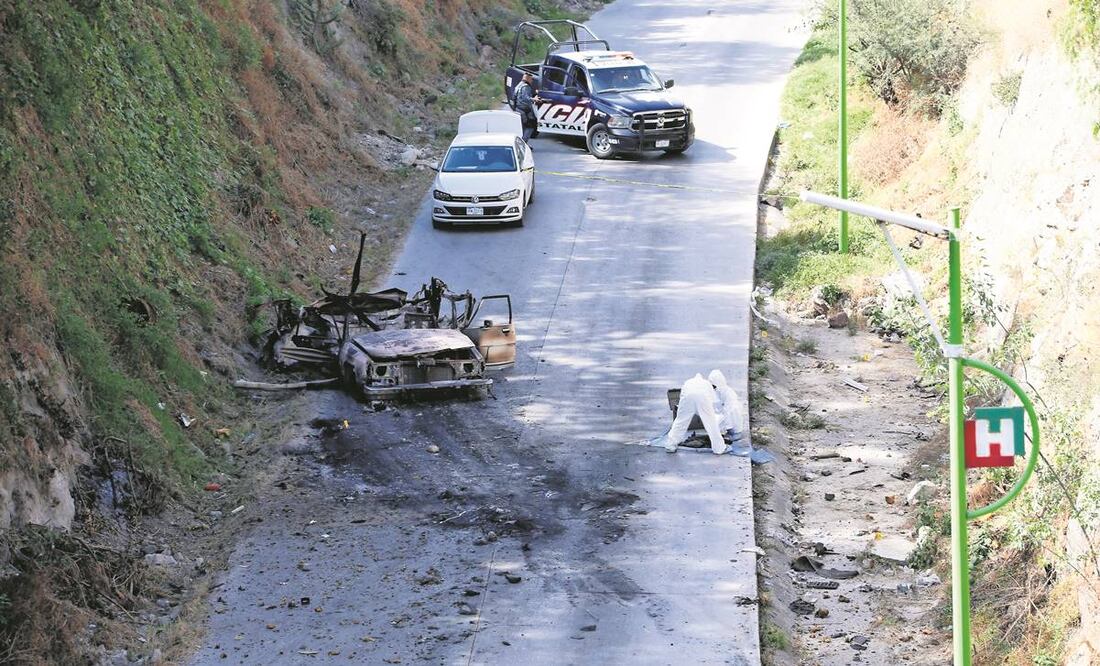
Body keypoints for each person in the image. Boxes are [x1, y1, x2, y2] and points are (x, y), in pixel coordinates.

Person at [661, 373, 727, 455]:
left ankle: (670, 445)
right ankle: (719, 448)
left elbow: (682, 396)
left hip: (688, 398)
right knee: (711, 423)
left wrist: (685, 411)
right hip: (703, 398)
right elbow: (712, 402)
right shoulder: (707, 384)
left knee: (680, 421)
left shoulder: (688, 382)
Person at [708, 369, 745, 441]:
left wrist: (728, 426)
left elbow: (729, 411)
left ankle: (735, 433)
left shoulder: (728, 393)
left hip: (732, 417)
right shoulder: (717, 391)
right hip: (725, 415)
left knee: (730, 416)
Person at [514, 72, 540, 140]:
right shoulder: (526, 87)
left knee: (523, 127)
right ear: (528, 79)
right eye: (531, 79)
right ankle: (524, 142)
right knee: (530, 126)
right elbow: (525, 97)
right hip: (524, 110)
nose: (532, 81)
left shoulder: (519, 85)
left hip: (518, 108)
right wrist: (534, 99)